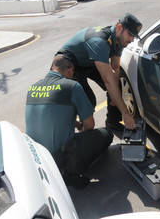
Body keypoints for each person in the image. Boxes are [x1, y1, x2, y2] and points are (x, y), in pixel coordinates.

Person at [25, 55, 113, 189]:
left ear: (52, 68)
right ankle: (69, 171)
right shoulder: (71, 86)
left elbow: (50, 118)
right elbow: (90, 125)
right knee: (106, 134)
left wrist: (76, 124)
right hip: (58, 157)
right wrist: (82, 130)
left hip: (35, 156)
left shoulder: (32, 88)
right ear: (70, 70)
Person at [56, 13, 142, 131]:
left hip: (89, 61)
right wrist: (126, 114)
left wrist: (114, 97)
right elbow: (107, 80)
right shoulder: (99, 42)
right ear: (119, 28)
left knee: (117, 88)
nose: (132, 40)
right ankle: (84, 133)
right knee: (88, 101)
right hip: (69, 63)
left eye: (134, 36)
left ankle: (112, 123)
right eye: (130, 34)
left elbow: (115, 68)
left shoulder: (120, 40)